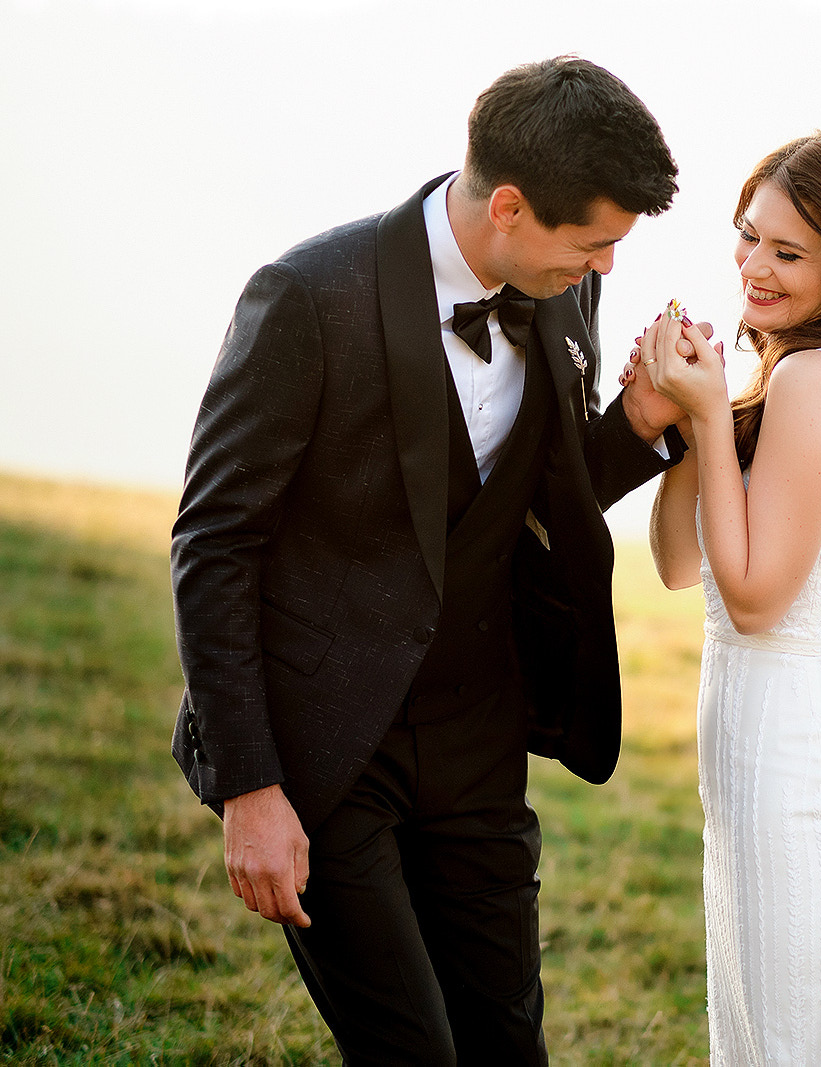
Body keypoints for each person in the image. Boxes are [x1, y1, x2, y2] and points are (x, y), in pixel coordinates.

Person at [170, 57, 698, 1065]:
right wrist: (250, 787)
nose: (606, 270)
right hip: (327, 746)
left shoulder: (558, 293)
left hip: (479, 742)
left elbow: (542, 489)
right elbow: (213, 541)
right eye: (594, 243)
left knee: (509, 1046)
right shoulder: (306, 295)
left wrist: (638, 423)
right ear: (508, 205)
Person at [633, 128, 821, 1065]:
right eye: (747, 235)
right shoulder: (792, 374)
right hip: (761, 766)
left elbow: (756, 602)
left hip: (799, 772)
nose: (753, 266)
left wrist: (719, 415)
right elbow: (683, 562)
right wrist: (692, 422)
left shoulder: (812, 380)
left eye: (788, 251)